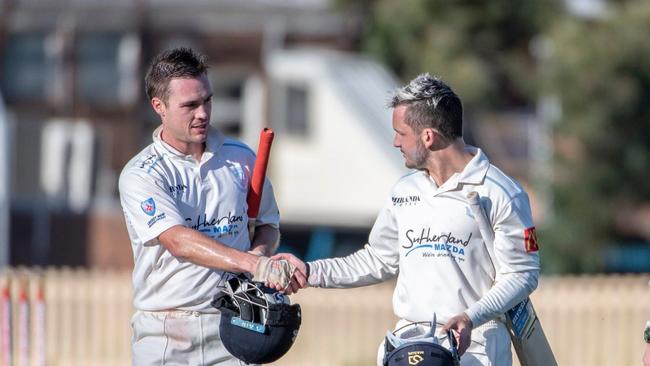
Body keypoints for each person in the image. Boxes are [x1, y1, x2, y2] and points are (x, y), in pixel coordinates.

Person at [277, 74, 540, 366]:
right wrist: (310, 271)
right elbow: (378, 259)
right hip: (407, 345)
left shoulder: (502, 193)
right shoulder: (405, 190)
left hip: (475, 349)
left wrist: (470, 317)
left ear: (428, 137)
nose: (394, 142)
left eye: (400, 133)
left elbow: (522, 275)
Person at [118, 47, 295, 365]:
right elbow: (177, 241)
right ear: (159, 106)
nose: (203, 113)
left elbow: (268, 224)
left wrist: (260, 253)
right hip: (164, 331)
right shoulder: (141, 173)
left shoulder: (240, 158)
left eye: (207, 100)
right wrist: (250, 264)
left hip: (234, 322)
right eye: (190, 105)